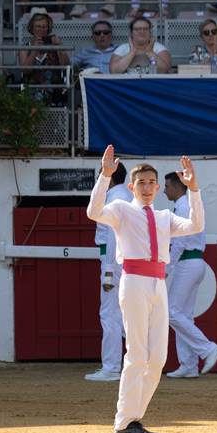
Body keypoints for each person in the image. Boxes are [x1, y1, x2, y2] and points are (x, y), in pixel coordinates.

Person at [87, 146, 205, 433]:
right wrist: (105, 176)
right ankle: (125, 420)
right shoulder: (121, 209)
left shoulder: (165, 216)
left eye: (152, 182)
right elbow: (93, 212)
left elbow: (196, 225)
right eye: (142, 182)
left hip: (157, 283)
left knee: (158, 358)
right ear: (132, 187)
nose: (148, 187)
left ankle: (132, 419)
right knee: (137, 352)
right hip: (135, 280)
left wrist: (193, 190)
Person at [161, 171, 217, 379]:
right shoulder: (189, 204)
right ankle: (188, 365)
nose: (164, 189)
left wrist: (166, 268)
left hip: (187, 262)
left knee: (173, 313)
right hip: (195, 262)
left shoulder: (183, 206)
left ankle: (208, 349)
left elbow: (179, 243)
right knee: (182, 315)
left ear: (177, 187)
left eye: (167, 186)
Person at [83, 159, 128, 381]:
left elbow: (112, 237)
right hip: (124, 262)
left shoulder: (116, 198)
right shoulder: (125, 196)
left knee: (110, 314)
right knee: (122, 315)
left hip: (114, 261)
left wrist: (109, 269)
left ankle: (111, 368)